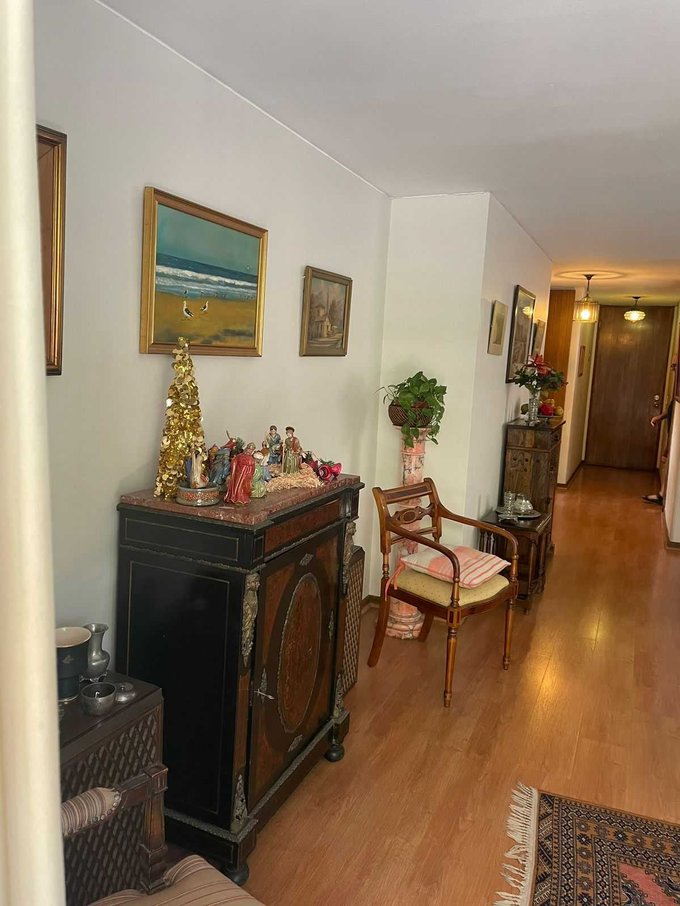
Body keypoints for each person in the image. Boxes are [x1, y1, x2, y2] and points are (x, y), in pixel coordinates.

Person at [642, 356, 677, 506]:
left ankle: (662, 495)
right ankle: (662, 494)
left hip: (673, 437)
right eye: (672, 366)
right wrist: (659, 417)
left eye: (675, 365)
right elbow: (671, 409)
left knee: (667, 464)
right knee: (667, 466)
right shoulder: (676, 388)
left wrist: (667, 449)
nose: (673, 369)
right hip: (671, 434)